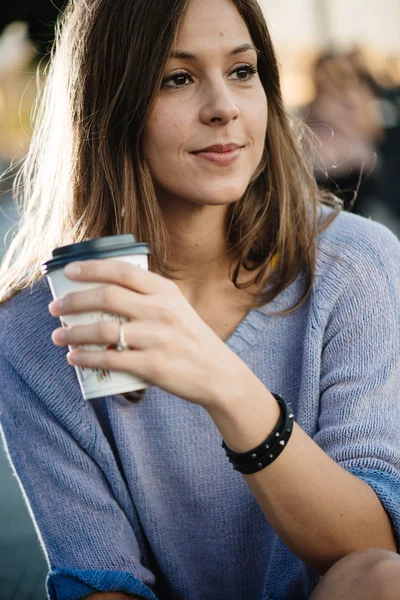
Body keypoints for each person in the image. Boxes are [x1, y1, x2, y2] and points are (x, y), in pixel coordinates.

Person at [0, 1, 399, 599]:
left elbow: (372, 552)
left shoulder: (354, 266)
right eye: (177, 78)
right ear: (108, 105)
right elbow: (101, 584)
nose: (225, 108)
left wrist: (223, 383)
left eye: (243, 71)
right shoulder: (40, 326)